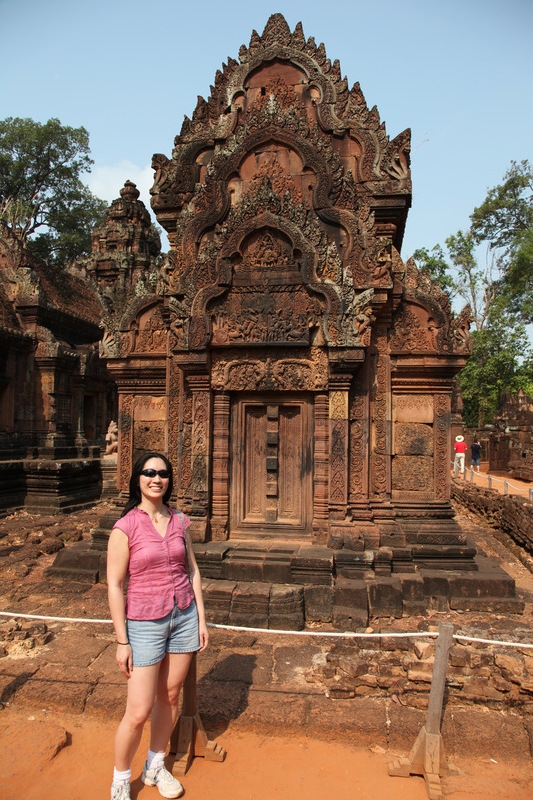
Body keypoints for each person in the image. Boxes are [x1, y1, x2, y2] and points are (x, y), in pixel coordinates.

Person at [107, 452, 209, 800]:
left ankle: (155, 764)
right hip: (144, 622)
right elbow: (115, 585)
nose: (156, 479)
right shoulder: (125, 527)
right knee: (138, 710)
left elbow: (192, 570)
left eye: (163, 474)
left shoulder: (179, 520)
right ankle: (121, 778)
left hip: (183, 617)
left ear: (169, 480)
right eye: (149, 472)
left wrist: (201, 618)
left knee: (170, 695)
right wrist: (122, 641)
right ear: (137, 478)